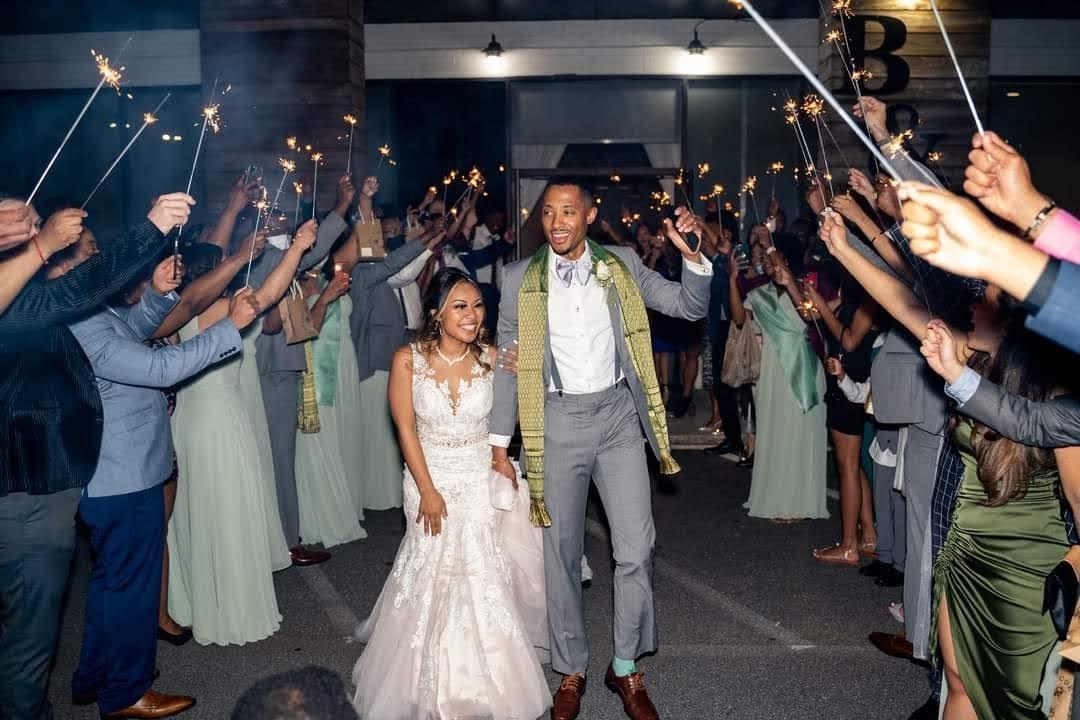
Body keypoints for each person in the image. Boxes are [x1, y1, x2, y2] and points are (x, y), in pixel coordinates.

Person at [491, 180, 711, 720]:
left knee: (636, 548)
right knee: (561, 554)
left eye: (568, 211)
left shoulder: (622, 264)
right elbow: (506, 363)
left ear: (589, 215)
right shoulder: (518, 279)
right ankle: (571, 668)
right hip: (556, 419)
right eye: (549, 213)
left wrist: (693, 258)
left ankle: (625, 664)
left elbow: (686, 306)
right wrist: (498, 444)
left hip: (617, 418)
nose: (557, 222)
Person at [0, 192, 192, 720]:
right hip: (29, 485)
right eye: (20, 218)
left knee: (63, 608)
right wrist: (152, 227)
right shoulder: (24, 302)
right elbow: (91, 289)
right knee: (28, 634)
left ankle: (95, 675)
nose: (35, 224)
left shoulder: (36, 298)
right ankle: (114, 691)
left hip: (58, 480)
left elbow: (120, 323)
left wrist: (156, 293)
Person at [68, 255, 260, 718]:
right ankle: (125, 692)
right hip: (121, 476)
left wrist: (157, 293)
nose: (101, 260)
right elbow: (161, 369)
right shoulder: (82, 324)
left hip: (125, 473)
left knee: (113, 583)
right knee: (133, 589)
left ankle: (95, 674)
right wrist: (230, 326)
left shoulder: (92, 313)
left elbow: (133, 329)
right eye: (88, 252)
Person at [352, 268, 549, 720]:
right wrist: (427, 490)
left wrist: (524, 377)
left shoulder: (494, 357)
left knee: (480, 569)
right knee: (430, 566)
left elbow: (515, 415)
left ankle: (483, 678)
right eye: (460, 306)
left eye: (477, 305)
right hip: (428, 473)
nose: (472, 315)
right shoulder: (408, 359)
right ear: (436, 313)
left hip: (478, 474)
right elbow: (405, 429)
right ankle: (420, 676)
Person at [167, 221, 319, 646]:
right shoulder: (217, 310)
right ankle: (230, 607)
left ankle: (196, 601)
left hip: (188, 420)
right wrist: (298, 247)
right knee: (227, 507)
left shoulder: (175, 310)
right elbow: (268, 296)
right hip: (220, 420)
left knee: (198, 509)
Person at [730, 234, 828, 522]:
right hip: (771, 372)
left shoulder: (807, 289)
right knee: (775, 437)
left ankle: (800, 503)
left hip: (804, 370)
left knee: (801, 437)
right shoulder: (759, 294)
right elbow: (739, 319)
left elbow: (810, 316)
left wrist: (790, 283)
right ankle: (777, 499)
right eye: (766, 262)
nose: (771, 266)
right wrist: (733, 280)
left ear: (786, 260)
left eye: (775, 259)